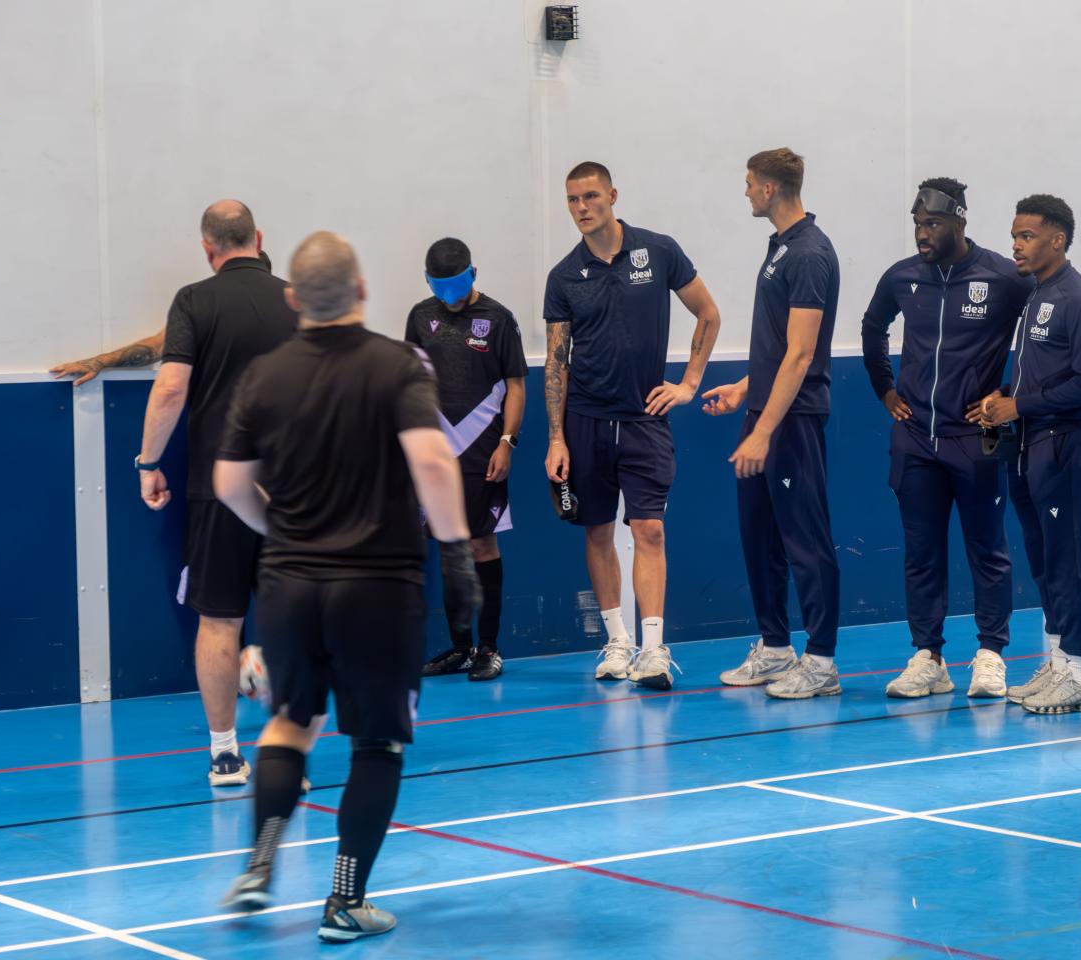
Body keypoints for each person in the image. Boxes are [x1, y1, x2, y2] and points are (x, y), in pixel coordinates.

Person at [215, 231, 480, 941]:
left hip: (290, 585)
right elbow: (431, 460)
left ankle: (260, 863)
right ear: (361, 292)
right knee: (378, 741)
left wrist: (279, 531)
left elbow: (229, 484)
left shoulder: (263, 375)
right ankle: (343, 899)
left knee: (290, 723)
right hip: (377, 586)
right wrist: (456, 554)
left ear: (294, 299)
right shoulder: (397, 367)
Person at [135, 202, 296, 785]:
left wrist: (148, 462)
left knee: (220, 622)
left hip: (218, 488)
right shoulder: (296, 299)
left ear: (208, 249)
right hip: (290, 490)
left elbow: (172, 387)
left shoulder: (193, 300)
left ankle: (225, 753)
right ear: (259, 238)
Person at [543, 161, 721, 690]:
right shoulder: (563, 276)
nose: (582, 208)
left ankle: (653, 649)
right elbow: (557, 361)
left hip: (645, 421)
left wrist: (688, 384)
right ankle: (617, 640)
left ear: (613, 195)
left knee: (650, 529)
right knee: (597, 531)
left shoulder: (658, 251)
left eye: (591, 196)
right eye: (573, 199)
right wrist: (556, 438)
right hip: (585, 424)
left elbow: (708, 314)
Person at [861, 178, 1033, 699]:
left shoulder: (1003, 279)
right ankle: (928, 657)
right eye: (917, 223)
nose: (922, 233)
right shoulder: (904, 277)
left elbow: (1043, 336)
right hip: (915, 440)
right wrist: (885, 391)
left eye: (932, 223)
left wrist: (1007, 394)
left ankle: (990, 655)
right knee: (921, 552)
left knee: (987, 549)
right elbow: (873, 327)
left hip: (973, 440)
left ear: (959, 221)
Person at [702, 148, 842, 698]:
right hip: (763, 411)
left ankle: (823, 660)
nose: (745, 193)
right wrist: (744, 390)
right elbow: (778, 346)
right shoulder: (780, 248)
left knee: (805, 539)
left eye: (749, 184)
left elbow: (802, 354)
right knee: (759, 536)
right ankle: (776, 647)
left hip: (792, 420)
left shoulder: (809, 253)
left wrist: (764, 429)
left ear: (769, 190)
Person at [976, 195, 1081, 713]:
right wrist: (1003, 397)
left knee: (1069, 562)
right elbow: (1042, 374)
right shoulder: (1036, 295)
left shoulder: (1078, 298)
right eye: (1014, 236)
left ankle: (1079, 671)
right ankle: (1056, 663)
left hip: (1065, 446)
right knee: (1044, 560)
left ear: (1057, 238)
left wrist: (1019, 405)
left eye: (1026, 236)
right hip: (1030, 446)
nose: (1016, 245)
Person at [405, 238, 526, 681]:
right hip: (435, 455)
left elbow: (516, 384)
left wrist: (507, 443)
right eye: (439, 287)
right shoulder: (420, 317)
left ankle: (489, 647)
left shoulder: (498, 320)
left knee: (481, 544)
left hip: (484, 451)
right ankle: (459, 647)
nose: (447, 296)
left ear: (473, 275)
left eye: (454, 286)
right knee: (448, 546)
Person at [50, 252, 274, 385]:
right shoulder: (296, 306)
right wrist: (98, 362)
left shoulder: (203, 305)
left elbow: (158, 352)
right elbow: (158, 347)